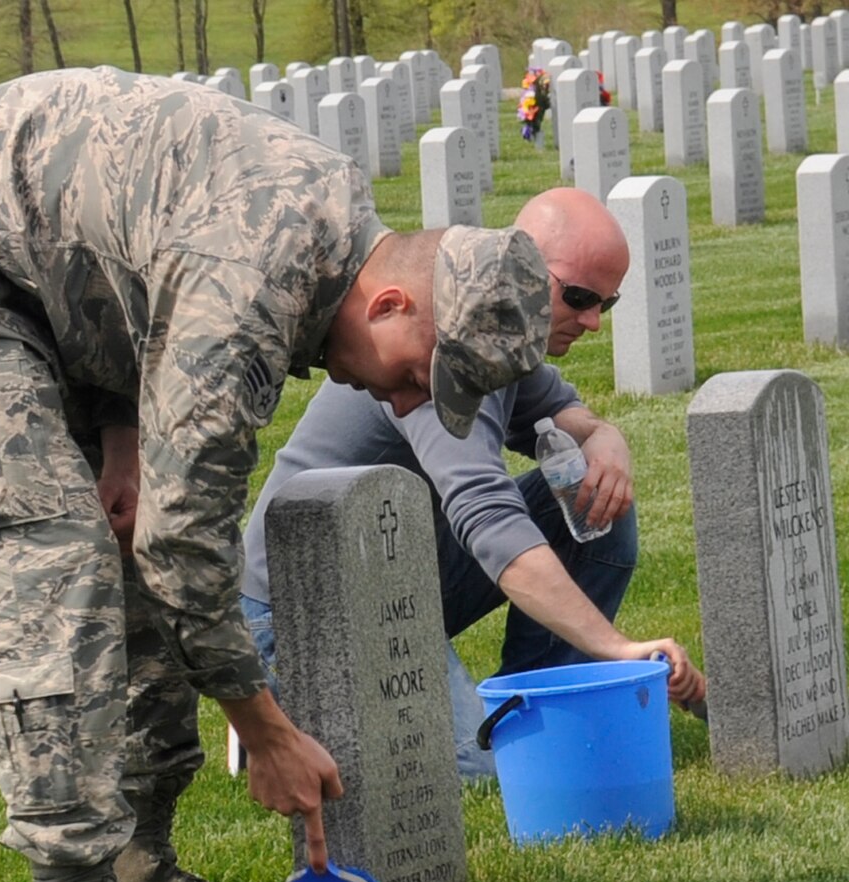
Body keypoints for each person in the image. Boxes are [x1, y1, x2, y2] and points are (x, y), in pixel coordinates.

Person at [0, 68, 550, 882]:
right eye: (418, 376)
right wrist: (265, 724)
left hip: (42, 294)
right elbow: (187, 542)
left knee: (128, 549)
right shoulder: (258, 276)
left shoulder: (325, 232)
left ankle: (142, 869)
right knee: (59, 568)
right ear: (392, 305)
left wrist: (123, 440)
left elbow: (123, 276)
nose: (405, 401)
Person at [238, 188, 707, 779]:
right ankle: (286, 705)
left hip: (398, 572)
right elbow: (488, 518)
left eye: (605, 305)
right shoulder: (444, 345)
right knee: (494, 771)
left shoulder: (500, 333)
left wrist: (602, 437)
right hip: (303, 604)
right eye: (581, 297)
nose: (591, 322)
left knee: (596, 503)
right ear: (524, 264)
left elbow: (561, 409)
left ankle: (544, 700)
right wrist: (614, 646)